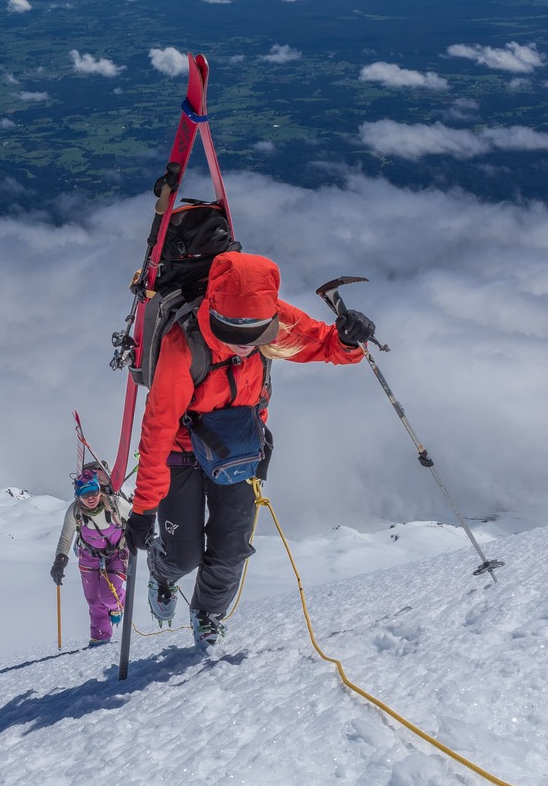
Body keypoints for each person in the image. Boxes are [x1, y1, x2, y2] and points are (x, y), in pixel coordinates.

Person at [123, 251, 373, 647]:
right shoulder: (183, 345)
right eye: (234, 336)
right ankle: (164, 571)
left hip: (236, 450)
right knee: (183, 554)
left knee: (232, 547)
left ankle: (207, 613)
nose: (243, 347)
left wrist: (348, 338)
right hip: (181, 451)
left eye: (254, 338)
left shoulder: (272, 317)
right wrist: (143, 508)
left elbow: (323, 344)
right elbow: (157, 430)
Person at [50, 465, 130, 647]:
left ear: (99, 489)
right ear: (78, 495)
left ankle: (117, 607)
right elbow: (66, 537)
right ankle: (100, 638)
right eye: (85, 494)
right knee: (94, 600)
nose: (91, 498)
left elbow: (137, 518)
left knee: (109, 597)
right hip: (88, 556)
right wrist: (59, 562)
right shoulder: (74, 512)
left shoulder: (116, 504)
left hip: (117, 553)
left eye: (93, 491)